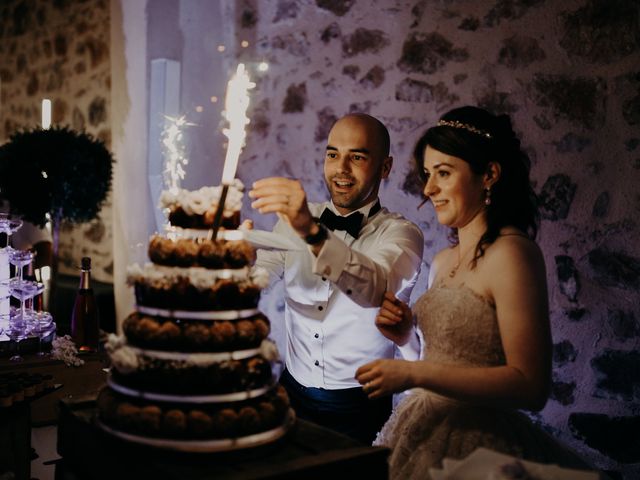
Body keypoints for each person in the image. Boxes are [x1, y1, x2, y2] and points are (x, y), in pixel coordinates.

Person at [356, 106, 589, 477]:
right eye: (428, 174)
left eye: (443, 174)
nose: (429, 189)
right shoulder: (444, 260)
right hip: (419, 432)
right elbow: (438, 361)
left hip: (478, 446)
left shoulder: (512, 253)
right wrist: (406, 340)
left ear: (490, 175)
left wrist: (414, 376)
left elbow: (530, 386)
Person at [249, 113, 424, 444]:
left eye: (357, 157)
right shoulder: (293, 221)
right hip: (291, 394)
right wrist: (237, 263)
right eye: (333, 155)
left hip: (362, 407)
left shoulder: (402, 233)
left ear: (385, 168)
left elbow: (376, 287)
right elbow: (257, 277)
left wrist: (311, 232)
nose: (341, 168)